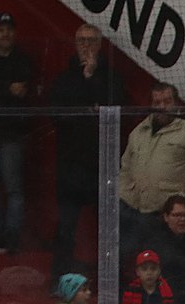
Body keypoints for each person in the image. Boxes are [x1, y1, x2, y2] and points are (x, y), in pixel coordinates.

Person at [47, 24, 127, 276]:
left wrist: (91, 78)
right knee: (66, 227)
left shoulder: (112, 78)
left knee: (106, 228)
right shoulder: (63, 79)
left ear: (100, 44)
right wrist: (88, 107)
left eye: (91, 41)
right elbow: (56, 114)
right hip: (70, 166)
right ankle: (59, 278)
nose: (85, 46)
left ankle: (106, 277)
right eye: (81, 40)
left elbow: (114, 112)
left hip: (101, 166)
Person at [117, 82, 185, 258]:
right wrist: (124, 197)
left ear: (176, 103)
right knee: (133, 264)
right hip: (135, 214)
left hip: (167, 219)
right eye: (157, 102)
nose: (162, 106)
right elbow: (125, 168)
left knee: (167, 266)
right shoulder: (138, 132)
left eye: (167, 101)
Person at [0, 12, 35, 254]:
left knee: (14, 189)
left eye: (8, 29)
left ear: (14, 33)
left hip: (12, 136)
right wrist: (7, 87)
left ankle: (12, 238)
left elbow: (21, 91)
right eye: (0, 29)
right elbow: (12, 89)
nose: (4, 33)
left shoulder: (23, 60)